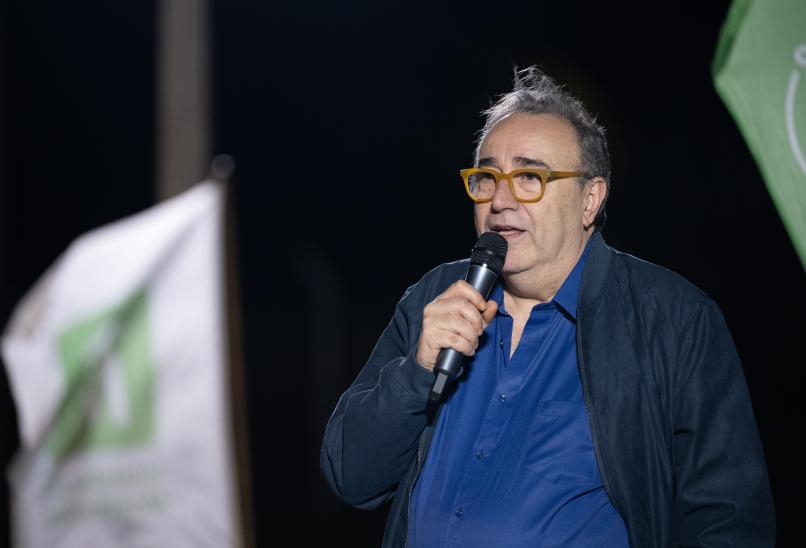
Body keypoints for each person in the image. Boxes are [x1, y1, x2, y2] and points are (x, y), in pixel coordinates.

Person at [320, 66, 774, 547]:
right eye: (487, 177)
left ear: (589, 200)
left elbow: (728, 522)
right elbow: (350, 477)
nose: (500, 200)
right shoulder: (435, 298)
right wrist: (416, 373)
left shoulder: (672, 320)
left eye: (529, 177)